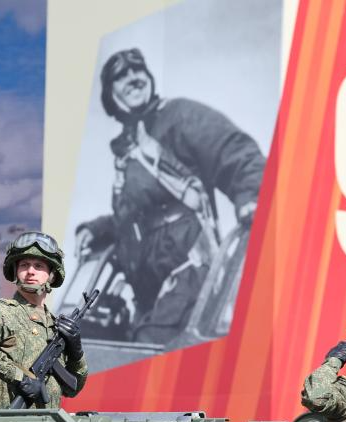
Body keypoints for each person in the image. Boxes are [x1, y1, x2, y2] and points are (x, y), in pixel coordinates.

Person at [75, 47, 266, 344]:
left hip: (189, 271)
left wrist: (251, 193)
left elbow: (235, 150)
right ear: (111, 95)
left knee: (149, 347)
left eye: (138, 70)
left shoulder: (180, 116)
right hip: (148, 289)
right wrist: (96, 228)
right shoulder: (127, 152)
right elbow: (134, 216)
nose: (133, 78)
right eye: (121, 76)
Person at [0, 231, 88, 409]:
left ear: (51, 274)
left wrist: (76, 353)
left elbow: (73, 388)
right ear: (15, 271)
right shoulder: (2, 312)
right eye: (24, 265)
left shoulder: (55, 326)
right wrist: (20, 377)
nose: (30, 271)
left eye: (38, 266)